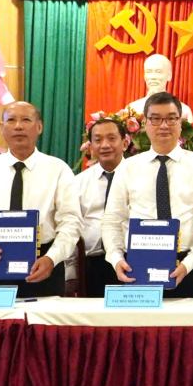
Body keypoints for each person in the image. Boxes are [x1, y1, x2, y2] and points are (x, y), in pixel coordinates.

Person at [102, 92, 193, 298]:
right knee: (140, 329)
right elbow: (112, 219)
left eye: (171, 118)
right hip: (136, 264)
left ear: (180, 123)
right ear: (145, 124)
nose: (163, 125)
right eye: (155, 119)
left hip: (182, 264)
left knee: (180, 329)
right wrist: (115, 258)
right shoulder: (128, 167)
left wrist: (189, 263)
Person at [0, 101, 82, 297]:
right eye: (11, 120)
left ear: (39, 127)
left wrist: (52, 258)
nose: (18, 126)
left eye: (26, 120)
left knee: (42, 326)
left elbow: (71, 222)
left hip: (43, 266)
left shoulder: (58, 169)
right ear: (2, 128)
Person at [66, 117, 130, 297]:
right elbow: (71, 226)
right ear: (91, 146)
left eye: (111, 138)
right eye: (98, 140)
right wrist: (71, 271)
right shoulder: (78, 183)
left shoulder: (140, 178)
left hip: (131, 260)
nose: (104, 145)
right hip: (92, 264)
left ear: (124, 143)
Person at [125, 53, 193, 124]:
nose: (153, 77)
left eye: (158, 72)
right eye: (149, 72)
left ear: (169, 75)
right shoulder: (132, 108)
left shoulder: (184, 110)